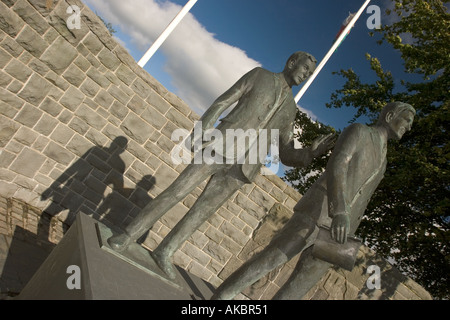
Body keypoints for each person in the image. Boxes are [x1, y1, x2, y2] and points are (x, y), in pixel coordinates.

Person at [108, 51, 336, 279]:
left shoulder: (290, 109)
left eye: (310, 74)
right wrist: (201, 131)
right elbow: (223, 101)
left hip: (244, 167)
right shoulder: (260, 75)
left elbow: (285, 152)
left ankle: (165, 251)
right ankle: (128, 235)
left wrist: (310, 154)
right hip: (220, 146)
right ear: (292, 62)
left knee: (200, 213)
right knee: (176, 191)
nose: (306, 75)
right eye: (305, 69)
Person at [211, 102, 415, 300]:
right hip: (320, 209)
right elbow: (338, 165)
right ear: (389, 117)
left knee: (300, 285)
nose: (409, 126)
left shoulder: (384, 159)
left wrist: (348, 224)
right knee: (273, 257)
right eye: (406, 120)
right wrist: (340, 210)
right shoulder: (359, 131)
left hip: (342, 231)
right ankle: (222, 297)